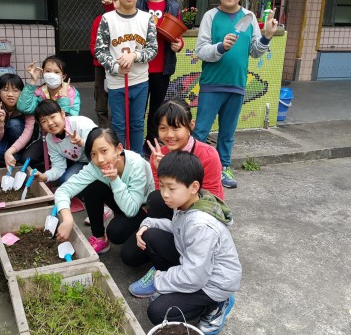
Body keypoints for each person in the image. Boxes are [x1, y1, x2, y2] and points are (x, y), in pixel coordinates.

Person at [128, 151, 241, 335]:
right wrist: (147, 224)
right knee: (151, 235)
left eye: (171, 188)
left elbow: (195, 278)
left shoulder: (200, 225)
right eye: (162, 186)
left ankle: (217, 305)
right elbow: (175, 227)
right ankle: (175, 288)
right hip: (197, 268)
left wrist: (160, 280)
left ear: (194, 187)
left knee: (157, 312)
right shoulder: (186, 204)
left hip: (214, 283)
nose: (164, 194)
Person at [120, 99, 223, 267]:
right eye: (163, 128)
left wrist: (172, 176)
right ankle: (161, 245)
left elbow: (213, 202)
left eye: (176, 127)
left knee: (157, 199)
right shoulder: (158, 155)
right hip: (169, 219)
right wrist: (161, 173)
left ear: (191, 125)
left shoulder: (208, 155)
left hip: (197, 222)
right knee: (129, 256)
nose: (169, 135)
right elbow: (162, 199)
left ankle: (165, 262)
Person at [193, 0, 278, 188]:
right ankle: (192, 168)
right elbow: (200, 50)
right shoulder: (210, 16)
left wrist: (267, 36)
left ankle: (223, 167)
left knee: (228, 132)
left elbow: (255, 51)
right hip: (212, 84)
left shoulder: (249, 18)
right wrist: (220, 47)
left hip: (237, 84)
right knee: (200, 131)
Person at [54, 128, 154, 254]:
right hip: (121, 201)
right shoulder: (95, 167)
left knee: (116, 233)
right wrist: (68, 219)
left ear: (118, 149)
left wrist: (115, 180)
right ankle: (99, 238)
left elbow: (131, 210)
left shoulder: (136, 164)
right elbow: (63, 191)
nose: (100, 159)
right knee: (92, 186)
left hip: (141, 208)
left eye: (104, 151)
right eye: (93, 154)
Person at [94, 0, 158, 154]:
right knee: (119, 124)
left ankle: (136, 158)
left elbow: (153, 49)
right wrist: (116, 67)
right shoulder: (107, 19)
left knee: (137, 123)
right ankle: (121, 157)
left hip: (140, 80)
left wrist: (135, 56)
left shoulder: (146, 18)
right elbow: (100, 51)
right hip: (116, 83)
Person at [137, 0, 184, 158]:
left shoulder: (173, 6)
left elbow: (178, 34)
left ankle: (150, 143)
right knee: (138, 109)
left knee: (156, 110)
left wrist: (179, 44)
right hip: (139, 67)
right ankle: (135, 144)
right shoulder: (138, 3)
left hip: (162, 68)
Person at [31, 99, 97, 185]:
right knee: (65, 181)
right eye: (44, 121)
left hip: (101, 160)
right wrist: (44, 176)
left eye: (52, 117)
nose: (50, 123)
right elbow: (58, 168)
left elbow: (100, 147)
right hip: (84, 163)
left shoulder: (81, 123)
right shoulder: (50, 139)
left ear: (62, 114)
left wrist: (81, 142)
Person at [0, 73, 37, 168]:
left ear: (22, 92)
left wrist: (9, 152)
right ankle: (15, 157)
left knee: (15, 124)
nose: (10, 94)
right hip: (4, 138)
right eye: (5, 90)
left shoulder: (27, 107)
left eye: (15, 90)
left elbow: (28, 132)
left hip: (23, 138)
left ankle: (16, 153)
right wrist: (0, 123)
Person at [90, 0, 116, 128]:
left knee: (118, 96)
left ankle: (117, 125)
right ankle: (103, 128)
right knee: (101, 95)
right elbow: (93, 44)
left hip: (120, 66)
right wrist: (104, 59)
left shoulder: (128, 20)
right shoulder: (98, 20)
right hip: (101, 66)